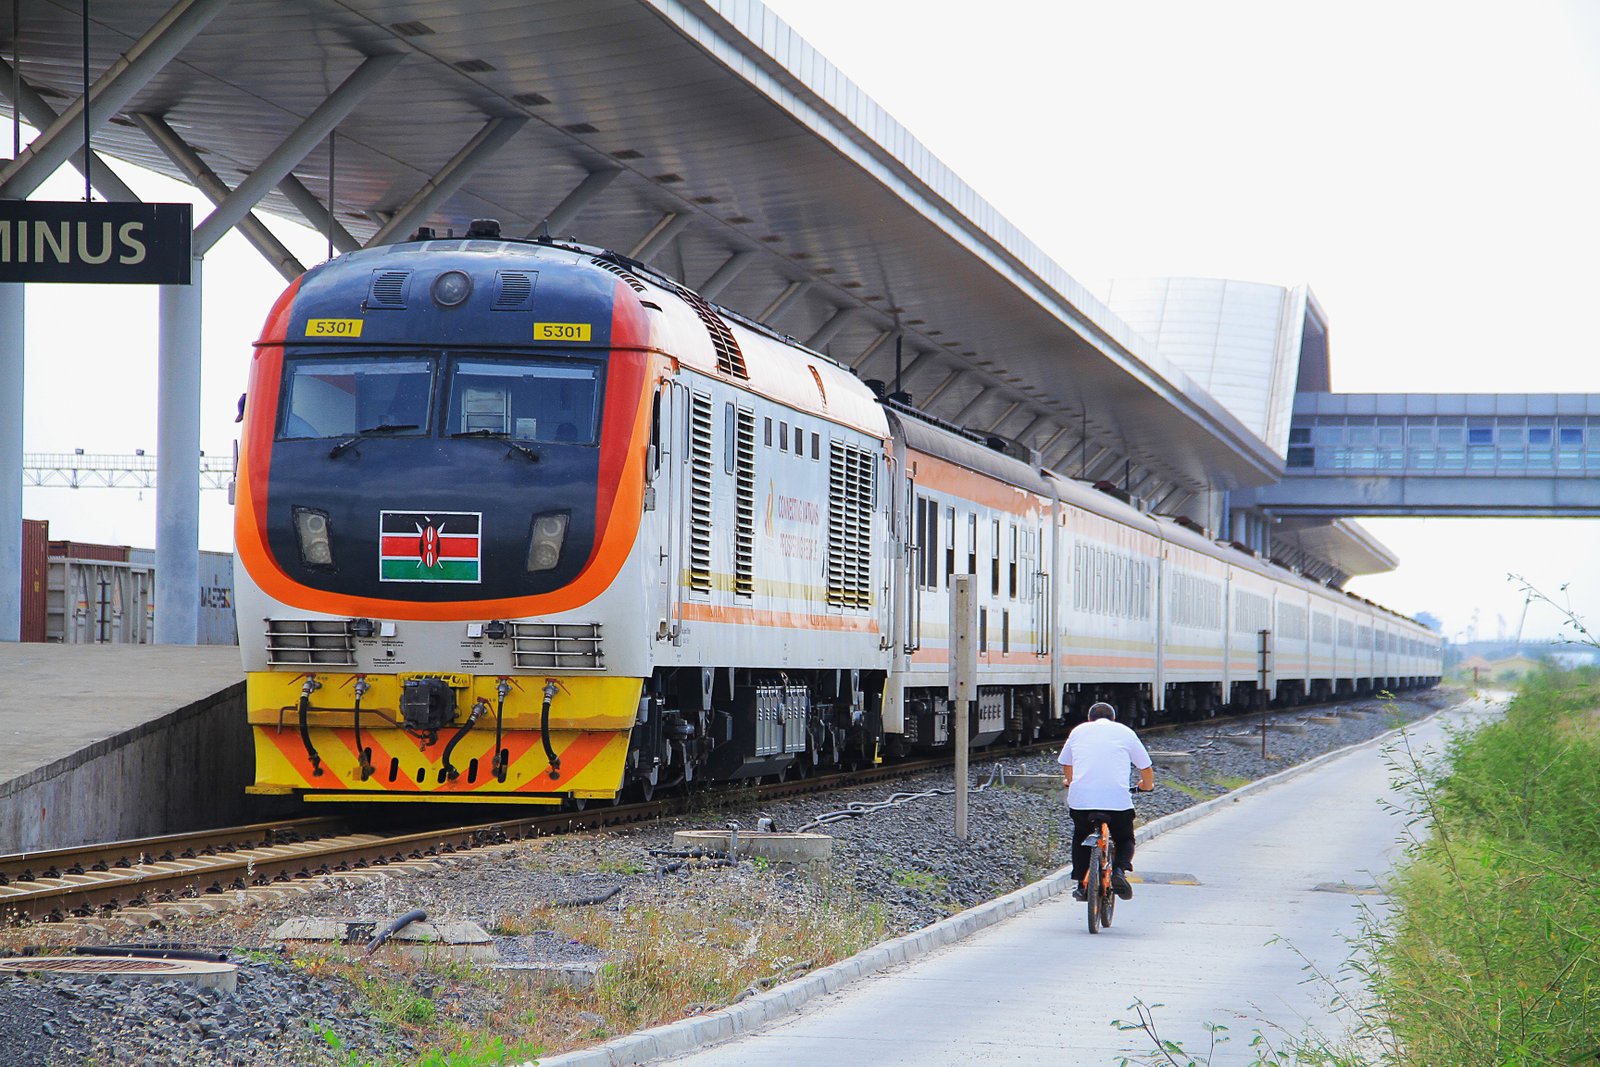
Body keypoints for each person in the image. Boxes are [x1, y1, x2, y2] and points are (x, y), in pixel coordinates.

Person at [1059, 701, 1154, 901]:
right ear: (1113, 719)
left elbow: (1066, 762)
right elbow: (1145, 768)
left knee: (1080, 836)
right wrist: (1146, 786)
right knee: (1125, 838)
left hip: (1082, 802)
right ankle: (1119, 870)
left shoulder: (1079, 731)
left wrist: (1071, 780)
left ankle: (1081, 883)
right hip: (1117, 802)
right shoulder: (1125, 732)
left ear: (1089, 719)